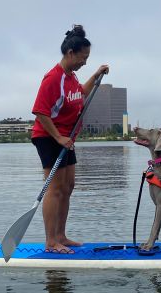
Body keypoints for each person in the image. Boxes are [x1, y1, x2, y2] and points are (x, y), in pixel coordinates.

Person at [31, 25, 109, 254]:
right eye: (83, 58)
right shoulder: (53, 78)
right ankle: (50, 241)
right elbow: (40, 112)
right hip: (48, 137)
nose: (84, 62)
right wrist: (58, 137)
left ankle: (61, 236)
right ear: (70, 53)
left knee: (68, 187)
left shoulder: (71, 77)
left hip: (67, 137)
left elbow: (80, 94)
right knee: (54, 188)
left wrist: (95, 75)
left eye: (88, 59)